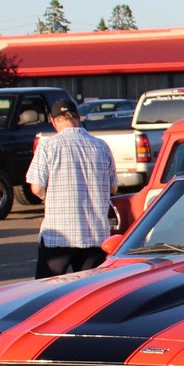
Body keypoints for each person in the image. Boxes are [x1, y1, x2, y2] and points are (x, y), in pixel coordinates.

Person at [27, 98, 118, 279]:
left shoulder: (47, 146)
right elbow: (113, 189)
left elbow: (36, 188)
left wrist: (49, 197)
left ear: (54, 122)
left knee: (47, 290)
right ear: (78, 118)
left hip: (58, 235)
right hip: (95, 234)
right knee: (90, 291)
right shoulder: (101, 146)